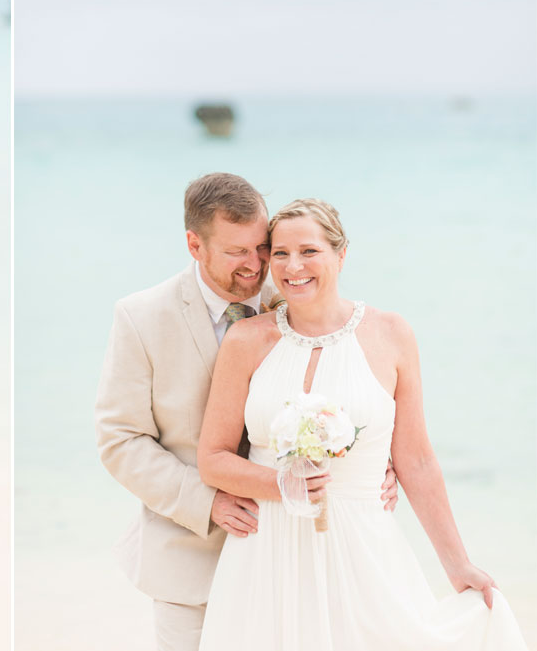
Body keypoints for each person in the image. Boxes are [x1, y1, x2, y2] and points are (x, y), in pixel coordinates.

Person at [196, 198, 528, 650]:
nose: (294, 267)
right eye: (280, 253)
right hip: (263, 553)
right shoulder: (245, 341)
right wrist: (283, 485)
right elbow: (212, 460)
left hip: (364, 550)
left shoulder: (391, 335)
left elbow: (416, 460)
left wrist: (456, 563)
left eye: (309, 251)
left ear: (341, 253)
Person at [95, 173, 398, 651]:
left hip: (288, 557)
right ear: (195, 245)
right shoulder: (141, 316)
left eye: (263, 247)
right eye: (237, 251)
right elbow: (120, 441)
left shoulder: (292, 298)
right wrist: (207, 501)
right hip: (188, 560)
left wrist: (378, 460)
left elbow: (350, 379)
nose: (257, 265)